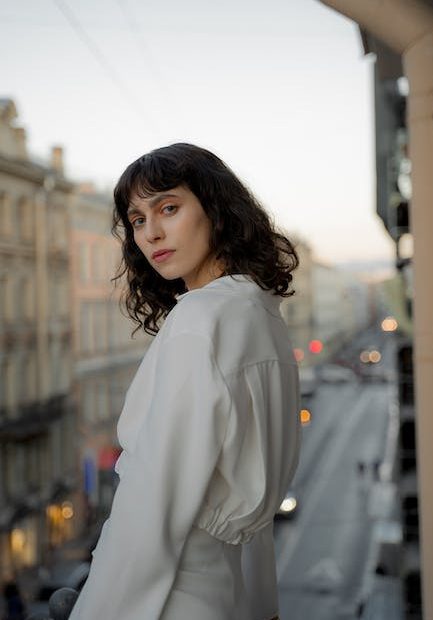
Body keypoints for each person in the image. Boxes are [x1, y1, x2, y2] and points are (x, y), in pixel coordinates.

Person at [69, 143, 301, 620]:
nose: (151, 233)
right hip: (231, 595)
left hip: (169, 598)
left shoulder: (201, 319)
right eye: (136, 220)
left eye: (168, 208)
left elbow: (150, 506)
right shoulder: (260, 314)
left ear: (216, 209)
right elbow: (249, 521)